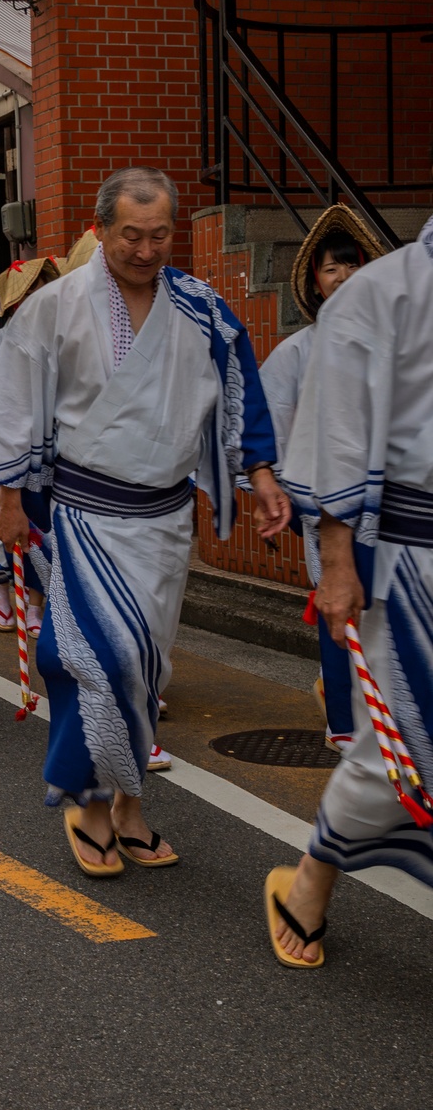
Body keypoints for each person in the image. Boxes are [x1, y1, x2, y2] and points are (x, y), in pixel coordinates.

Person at [0, 166, 288, 875]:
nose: (146, 249)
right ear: (101, 231)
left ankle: (130, 802)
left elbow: (241, 393)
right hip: (85, 518)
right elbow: (13, 403)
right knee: (93, 660)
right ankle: (89, 798)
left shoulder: (202, 308)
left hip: (166, 524)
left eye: (160, 235)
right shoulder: (56, 307)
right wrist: (10, 502)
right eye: (131, 235)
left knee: (144, 668)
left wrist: (260, 475)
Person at [264, 208, 433, 969]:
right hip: (412, 554)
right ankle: (309, 882)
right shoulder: (382, 294)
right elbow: (334, 435)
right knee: (397, 749)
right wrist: (336, 565)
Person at [259, 204, 384, 755]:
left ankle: (386, 712)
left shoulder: (398, 345)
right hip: (330, 508)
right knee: (341, 610)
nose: (343, 276)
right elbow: (271, 430)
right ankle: (345, 720)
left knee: (390, 618)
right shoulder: (296, 353)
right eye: (331, 268)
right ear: (314, 281)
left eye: (352, 264)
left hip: (394, 504)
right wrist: (291, 497)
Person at [0, 258, 60, 638]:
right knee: (12, 524)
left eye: (46, 290)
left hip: (56, 450)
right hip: (13, 448)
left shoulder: (65, 338)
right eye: (31, 292)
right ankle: (2, 588)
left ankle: (35, 602)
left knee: (45, 530)